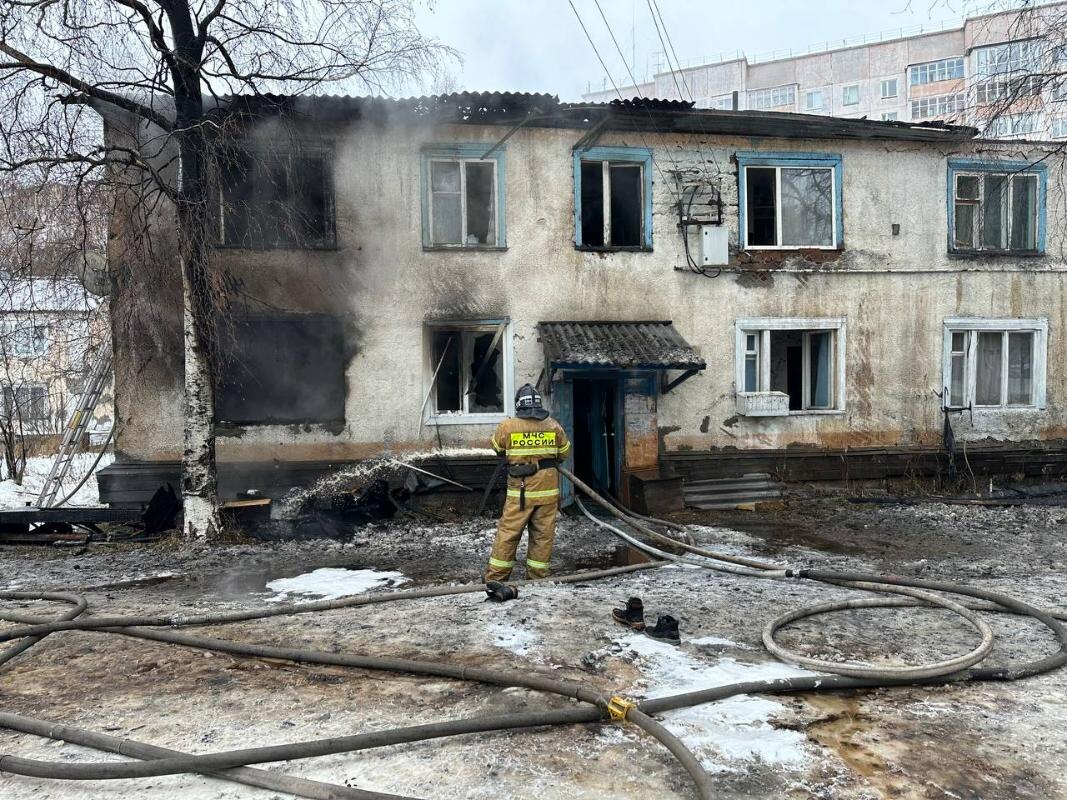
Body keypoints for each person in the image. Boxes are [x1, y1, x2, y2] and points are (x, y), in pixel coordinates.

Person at [484, 383, 570, 598]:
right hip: (548, 491)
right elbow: (563, 453)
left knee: (509, 534)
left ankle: (496, 579)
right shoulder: (554, 426)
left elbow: (497, 449)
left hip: (520, 493)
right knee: (543, 535)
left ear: (519, 405)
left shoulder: (507, 426)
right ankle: (537, 579)